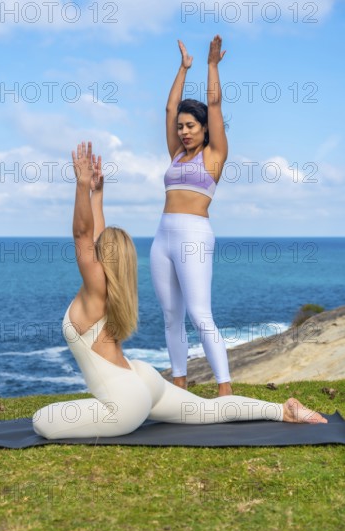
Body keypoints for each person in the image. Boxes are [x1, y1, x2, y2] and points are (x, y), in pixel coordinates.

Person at [32, 141, 327, 440]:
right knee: (208, 410)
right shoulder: (114, 289)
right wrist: (98, 195)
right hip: (142, 378)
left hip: (125, 404)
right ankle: (282, 410)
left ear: (99, 258)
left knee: (40, 421)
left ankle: (282, 411)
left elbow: (83, 233)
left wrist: (82, 185)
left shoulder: (96, 290)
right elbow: (94, 237)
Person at [150, 35, 232, 396]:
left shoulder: (213, 155)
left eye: (190, 126)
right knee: (171, 316)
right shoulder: (176, 155)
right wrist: (183, 69)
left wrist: (211, 67)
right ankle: (179, 384)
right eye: (181, 127)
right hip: (162, 237)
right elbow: (169, 109)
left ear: (204, 129)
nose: (183, 131)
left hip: (195, 235)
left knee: (200, 315)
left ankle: (225, 390)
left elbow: (214, 103)